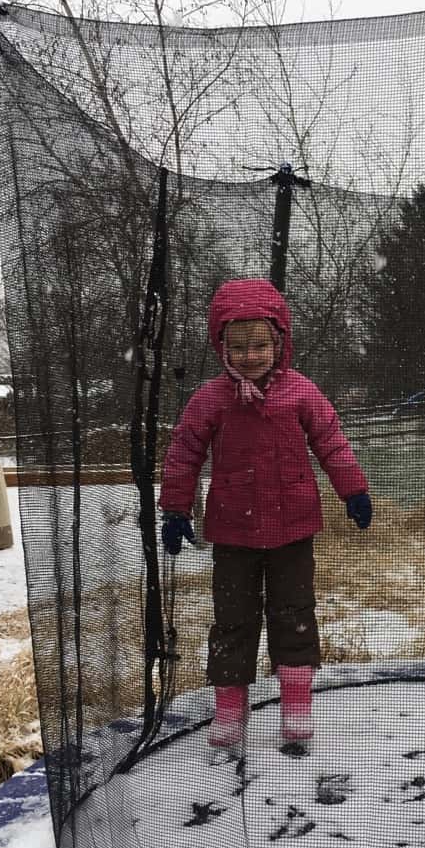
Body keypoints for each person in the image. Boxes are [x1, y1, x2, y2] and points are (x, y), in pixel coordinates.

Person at [159, 278, 372, 755]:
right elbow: (184, 453)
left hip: (293, 528)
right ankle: (230, 707)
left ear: (280, 342)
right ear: (221, 347)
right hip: (233, 530)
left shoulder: (301, 393)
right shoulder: (210, 400)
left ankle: (296, 703)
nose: (250, 356)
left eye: (260, 345)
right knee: (232, 618)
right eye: (237, 347)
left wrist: (353, 490)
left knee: (293, 613)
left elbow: (332, 443)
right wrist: (175, 507)